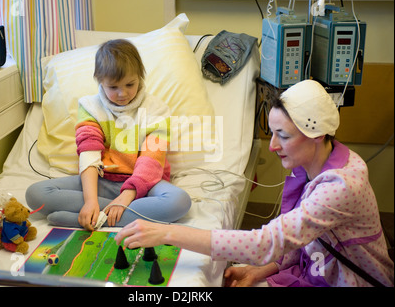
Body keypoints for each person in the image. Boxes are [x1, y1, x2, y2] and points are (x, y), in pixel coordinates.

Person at [115, 79, 394, 287]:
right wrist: (262, 270)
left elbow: (265, 242)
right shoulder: (316, 165)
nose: (273, 146)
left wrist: (166, 233)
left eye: (283, 136)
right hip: (316, 268)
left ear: (317, 134)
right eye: (272, 134)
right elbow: (304, 237)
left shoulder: (341, 186)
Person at [26, 39, 191, 231]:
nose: (123, 93)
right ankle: (102, 212)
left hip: (144, 184)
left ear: (140, 77)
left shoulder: (157, 110)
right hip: (102, 180)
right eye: (113, 87)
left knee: (180, 202)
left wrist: (126, 196)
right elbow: (88, 153)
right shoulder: (89, 107)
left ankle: (90, 218)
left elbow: (152, 159)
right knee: (35, 193)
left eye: (130, 84)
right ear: (100, 81)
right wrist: (90, 201)